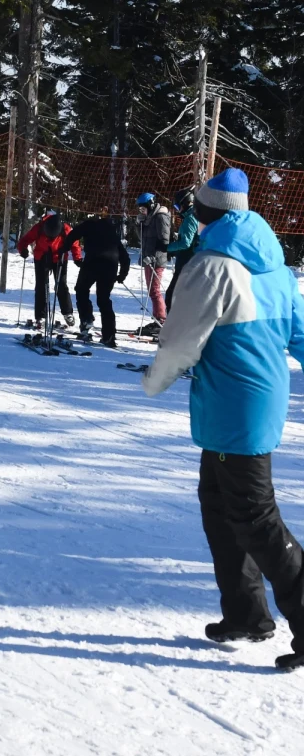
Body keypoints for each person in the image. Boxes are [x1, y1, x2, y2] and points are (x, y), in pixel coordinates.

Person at [141, 168, 304, 673]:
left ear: (206, 213)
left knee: (256, 519)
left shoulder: (212, 266)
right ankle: (245, 615)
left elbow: (181, 342)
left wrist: (155, 380)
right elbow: (300, 332)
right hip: (248, 404)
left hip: (235, 409)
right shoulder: (274, 265)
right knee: (218, 507)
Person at [65, 212, 129, 348]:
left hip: (92, 262)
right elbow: (125, 257)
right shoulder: (112, 233)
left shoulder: (89, 225)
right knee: (104, 299)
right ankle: (109, 335)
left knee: (81, 290)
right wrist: (122, 274)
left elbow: (72, 235)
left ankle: (86, 319)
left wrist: (62, 249)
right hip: (110, 266)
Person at [16, 212, 82, 329]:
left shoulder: (65, 229)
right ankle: (40, 316)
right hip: (42, 257)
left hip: (59, 257)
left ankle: (68, 313)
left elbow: (75, 243)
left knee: (61, 285)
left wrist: (77, 257)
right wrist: (23, 250)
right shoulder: (38, 228)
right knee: (41, 286)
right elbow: (25, 240)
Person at [136, 191, 171, 334]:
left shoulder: (160, 216)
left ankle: (161, 320)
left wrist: (153, 257)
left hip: (156, 259)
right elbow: (142, 238)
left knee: (155, 290)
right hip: (147, 258)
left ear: (150, 205)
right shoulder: (149, 217)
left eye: (143, 208)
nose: (141, 211)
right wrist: (139, 224)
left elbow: (164, 241)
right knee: (151, 290)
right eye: (140, 209)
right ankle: (157, 318)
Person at [165, 187, 199, 312]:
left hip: (187, 262)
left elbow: (185, 243)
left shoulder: (191, 218)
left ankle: (174, 323)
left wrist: (167, 247)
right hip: (189, 261)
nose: (177, 209)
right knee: (177, 296)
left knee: (172, 295)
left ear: (185, 203)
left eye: (177, 206)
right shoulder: (193, 215)